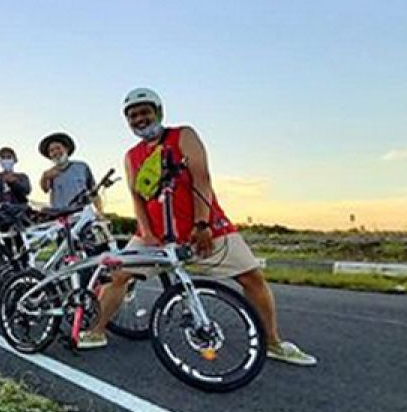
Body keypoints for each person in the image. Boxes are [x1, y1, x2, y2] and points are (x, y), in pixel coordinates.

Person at [80, 88, 316, 365]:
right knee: (119, 276)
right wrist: (146, 232)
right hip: (155, 234)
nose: (139, 119)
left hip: (204, 227)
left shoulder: (183, 136)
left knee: (251, 278)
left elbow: (202, 179)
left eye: (145, 112)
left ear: (159, 112)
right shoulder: (132, 155)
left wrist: (202, 223)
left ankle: (273, 342)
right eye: (132, 116)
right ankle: (96, 332)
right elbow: (137, 198)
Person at [38, 132, 101, 212]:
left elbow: (94, 191)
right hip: (60, 216)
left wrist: (100, 211)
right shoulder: (49, 173)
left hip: (82, 213)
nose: (55, 152)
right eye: (51, 150)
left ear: (66, 149)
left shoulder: (82, 167)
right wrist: (44, 177)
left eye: (58, 148)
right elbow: (45, 189)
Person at [0, 146, 32, 212]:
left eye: (9, 157)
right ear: (0, 161)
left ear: (15, 160)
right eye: (3, 158)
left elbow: (27, 191)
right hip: (0, 215)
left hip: (20, 215)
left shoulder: (23, 177)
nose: (6, 160)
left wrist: (14, 182)